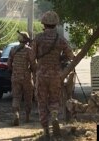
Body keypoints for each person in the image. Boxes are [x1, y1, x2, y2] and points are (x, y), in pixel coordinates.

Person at [31, 11, 75, 140]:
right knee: (55, 99)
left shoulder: (38, 38)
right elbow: (71, 56)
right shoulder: (61, 39)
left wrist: (36, 69)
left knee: (42, 101)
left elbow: (32, 57)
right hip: (56, 75)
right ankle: (55, 116)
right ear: (56, 24)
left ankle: (45, 130)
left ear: (44, 23)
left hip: (42, 75)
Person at [7, 31, 36, 126]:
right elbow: (33, 65)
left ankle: (16, 114)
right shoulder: (29, 50)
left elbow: (9, 64)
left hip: (15, 77)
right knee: (28, 97)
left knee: (16, 97)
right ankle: (27, 117)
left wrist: (14, 70)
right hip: (27, 78)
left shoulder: (13, 49)